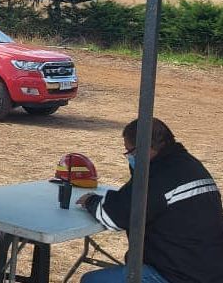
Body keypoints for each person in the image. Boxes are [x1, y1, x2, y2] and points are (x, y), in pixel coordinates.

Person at [78, 118, 223, 283]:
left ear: (144, 148)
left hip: (178, 274)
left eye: (130, 152)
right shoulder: (188, 164)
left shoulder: (159, 175)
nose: (130, 158)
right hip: (208, 269)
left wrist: (90, 201)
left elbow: (115, 216)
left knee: (92, 280)